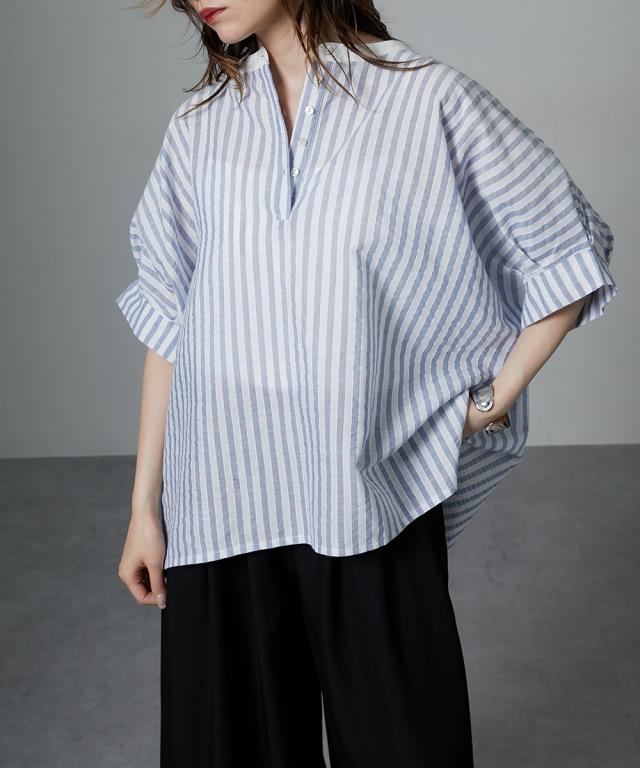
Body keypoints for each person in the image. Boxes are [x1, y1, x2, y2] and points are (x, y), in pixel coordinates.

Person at [115, 1, 618, 766]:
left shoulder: (426, 98)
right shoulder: (199, 126)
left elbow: (567, 247)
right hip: (220, 492)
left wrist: (488, 405)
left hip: (364, 488)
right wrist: (143, 508)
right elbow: (169, 321)